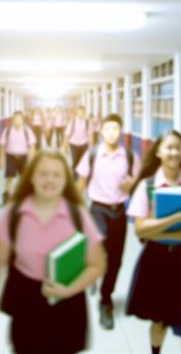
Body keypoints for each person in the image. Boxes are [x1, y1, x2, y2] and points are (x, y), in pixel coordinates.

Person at [0, 151, 108, 354]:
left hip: (68, 301)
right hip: (26, 301)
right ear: (31, 177)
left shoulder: (78, 216)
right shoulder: (15, 214)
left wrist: (68, 290)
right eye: (43, 173)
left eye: (57, 175)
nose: (50, 180)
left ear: (66, 180)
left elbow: (97, 264)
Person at [125, 130, 181, 354]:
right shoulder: (147, 186)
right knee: (159, 322)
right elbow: (139, 228)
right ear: (158, 151)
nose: (174, 152)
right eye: (169, 147)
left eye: (179, 147)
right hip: (156, 262)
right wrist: (179, 218)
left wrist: (162, 234)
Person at [74, 113, 137, 330]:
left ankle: (105, 299)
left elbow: (136, 183)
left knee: (116, 260)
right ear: (101, 131)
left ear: (120, 131)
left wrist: (131, 186)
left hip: (119, 212)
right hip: (97, 210)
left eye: (116, 129)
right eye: (108, 128)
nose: (112, 132)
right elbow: (80, 184)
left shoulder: (129, 155)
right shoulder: (92, 154)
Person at [0, 111, 37, 204]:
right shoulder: (7, 130)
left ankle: (24, 197)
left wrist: (31, 160)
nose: (17, 121)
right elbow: (2, 146)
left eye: (19, 119)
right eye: (15, 119)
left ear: (22, 120)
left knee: (24, 178)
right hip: (11, 157)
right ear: (12, 120)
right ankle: (7, 197)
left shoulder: (27, 130)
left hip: (23, 157)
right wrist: (1, 159)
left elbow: (32, 146)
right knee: (9, 178)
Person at [63, 105, 93, 171]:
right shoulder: (72, 122)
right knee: (75, 160)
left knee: (83, 161)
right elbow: (67, 134)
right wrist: (65, 146)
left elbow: (90, 135)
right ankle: (74, 175)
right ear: (77, 112)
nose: (81, 114)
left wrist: (91, 146)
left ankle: (80, 174)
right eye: (79, 112)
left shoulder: (87, 122)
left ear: (84, 113)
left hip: (84, 144)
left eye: (82, 112)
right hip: (73, 144)